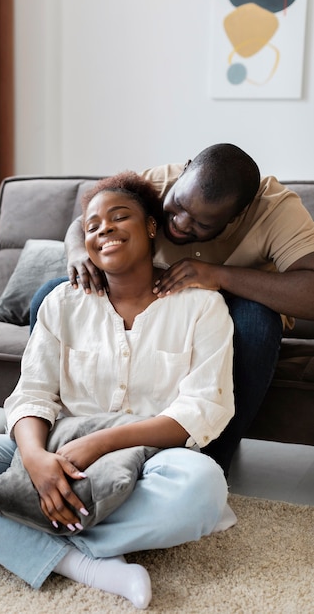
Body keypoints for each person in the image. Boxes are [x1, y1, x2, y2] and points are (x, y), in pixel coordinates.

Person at [0, 172, 235, 610]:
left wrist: (97, 443)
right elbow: (31, 394)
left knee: (203, 488)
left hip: (149, 457)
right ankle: (82, 563)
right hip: (58, 445)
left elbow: (202, 410)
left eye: (120, 217)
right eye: (93, 226)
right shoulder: (62, 302)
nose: (105, 230)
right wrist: (35, 458)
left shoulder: (201, 306)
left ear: (152, 226)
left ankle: (8, 541)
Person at [30, 143, 314, 476]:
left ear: (238, 215)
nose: (179, 223)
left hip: (236, 306)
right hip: (162, 304)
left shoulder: (276, 210)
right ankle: (67, 436)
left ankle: (210, 461)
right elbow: (88, 220)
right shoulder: (156, 181)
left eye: (201, 224)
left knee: (257, 321)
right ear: (184, 171)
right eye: (176, 206)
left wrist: (216, 275)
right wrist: (76, 250)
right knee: (51, 294)